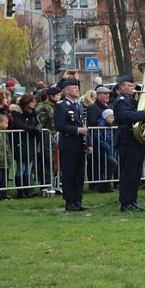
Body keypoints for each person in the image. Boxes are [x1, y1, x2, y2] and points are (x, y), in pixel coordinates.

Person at [113, 74, 145, 212]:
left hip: (135, 141)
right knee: (128, 173)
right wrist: (144, 113)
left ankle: (133, 200)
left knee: (136, 174)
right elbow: (125, 116)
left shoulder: (130, 100)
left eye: (132, 86)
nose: (132, 88)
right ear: (121, 87)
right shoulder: (120, 101)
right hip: (127, 141)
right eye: (129, 86)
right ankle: (126, 202)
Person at [53, 79, 91, 211]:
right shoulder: (61, 105)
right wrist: (76, 130)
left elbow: (84, 125)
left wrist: (89, 143)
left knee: (79, 174)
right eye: (73, 87)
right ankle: (69, 201)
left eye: (77, 87)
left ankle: (78, 200)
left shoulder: (80, 106)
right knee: (69, 174)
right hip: (69, 145)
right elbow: (59, 125)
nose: (77, 89)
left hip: (80, 144)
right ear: (66, 90)